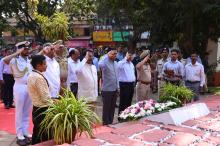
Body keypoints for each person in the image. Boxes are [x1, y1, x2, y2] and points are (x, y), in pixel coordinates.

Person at [3, 41, 32, 146]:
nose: (27, 50)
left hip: (29, 86)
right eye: (25, 49)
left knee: (26, 111)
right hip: (19, 86)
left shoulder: (29, 60)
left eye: (28, 49)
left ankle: (25, 131)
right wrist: (17, 52)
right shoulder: (14, 60)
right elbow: (4, 60)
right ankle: (19, 133)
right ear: (20, 49)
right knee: (19, 111)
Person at [27, 55, 53, 144]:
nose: (46, 65)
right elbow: (45, 98)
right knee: (44, 135)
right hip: (43, 110)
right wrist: (57, 103)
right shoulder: (38, 78)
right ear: (38, 65)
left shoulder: (32, 75)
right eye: (45, 64)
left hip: (36, 108)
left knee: (38, 132)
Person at [98, 48, 118, 125]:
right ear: (109, 54)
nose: (115, 55)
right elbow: (99, 64)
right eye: (113, 54)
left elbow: (117, 76)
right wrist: (106, 55)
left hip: (114, 88)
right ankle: (105, 123)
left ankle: (110, 121)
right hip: (107, 89)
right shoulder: (105, 63)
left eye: (116, 54)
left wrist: (118, 87)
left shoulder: (115, 63)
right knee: (106, 107)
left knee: (112, 107)